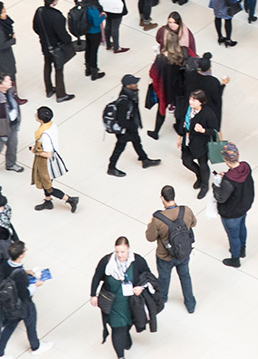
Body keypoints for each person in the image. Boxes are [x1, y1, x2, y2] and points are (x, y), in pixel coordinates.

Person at [89, 237, 154, 359]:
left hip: (131, 304)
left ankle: (126, 337)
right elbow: (97, 277)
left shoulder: (138, 261)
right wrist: (93, 294)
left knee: (127, 324)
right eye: (117, 251)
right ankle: (120, 356)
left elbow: (148, 275)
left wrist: (141, 287)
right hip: (113, 304)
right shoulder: (107, 262)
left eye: (122, 252)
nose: (119, 255)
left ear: (128, 249)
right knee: (117, 329)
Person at [145, 185, 197, 313]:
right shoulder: (186, 211)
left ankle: (162, 299)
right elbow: (193, 223)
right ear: (174, 196)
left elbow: (150, 237)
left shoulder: (158, 219)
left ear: (162, 198)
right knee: (185, 276)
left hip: (165, 256)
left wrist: (150, 224)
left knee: (164, 278)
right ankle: (190, 304)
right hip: (184, 253)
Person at [0, 241, 51, 357]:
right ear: (20, 255)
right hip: (23, 304)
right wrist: (36, 284)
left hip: (12, 303)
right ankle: (36, 347)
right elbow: (26, 294)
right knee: (30, 324)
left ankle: (0, 353)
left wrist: (26, 272)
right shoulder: (20, 276)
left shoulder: (5, 264)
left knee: (9, 327)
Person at [107, 75, 161, 177]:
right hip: (125, 129)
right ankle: (111, 167)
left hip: (130, 126)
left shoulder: (131, 94)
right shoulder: (124, 101)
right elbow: (122, 120)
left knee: (137, 142)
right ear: (127, 85)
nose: (136, 84)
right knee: (119, 147)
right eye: (133, 83)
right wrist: (133, 125)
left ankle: (144, 159)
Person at [212, 143, 253, 267]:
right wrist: (227, 174)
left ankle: (235, 258)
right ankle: (242, 249)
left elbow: (221, 197)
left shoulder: (229, 181)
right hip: (244, 206)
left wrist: (215, 185)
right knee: (242, 227)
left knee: (233, 235)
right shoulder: (245, 167)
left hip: (231, 212)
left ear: (226, 160)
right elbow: (237, 177)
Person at [31, 107, 79, 213]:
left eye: (37, 114)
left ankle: (70, 199)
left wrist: (35, 151)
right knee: (46, 183)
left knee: (47, 186)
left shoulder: (44, 135)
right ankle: (48, 201)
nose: (35, 115)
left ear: (41, 119)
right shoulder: (51, 126)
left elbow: (48, 154)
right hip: (51, 159)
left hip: (46, 163)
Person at [31, 0, 74, 102]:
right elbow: (62, 34)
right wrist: (68, 40)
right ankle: (61, 94)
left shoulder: (39, 11)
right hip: (56, 47)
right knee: (58, 69)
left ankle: (49, 89)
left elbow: (35, 27)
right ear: (54, 2)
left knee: (47, 65)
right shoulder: (57, 16)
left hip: (45, 44)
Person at [178, 89, 217, 199]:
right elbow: (183, 121)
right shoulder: (188, 109)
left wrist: (203, 131)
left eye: (194, 100)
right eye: (190, 99)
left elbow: (214, 130)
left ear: (201, 102)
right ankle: (199, 176)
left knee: (203, 164)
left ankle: (204, 185)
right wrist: (179, 136)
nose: (191, 102)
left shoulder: (208, 114)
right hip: (188, 141)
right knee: (186, 161)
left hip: (201, 144)